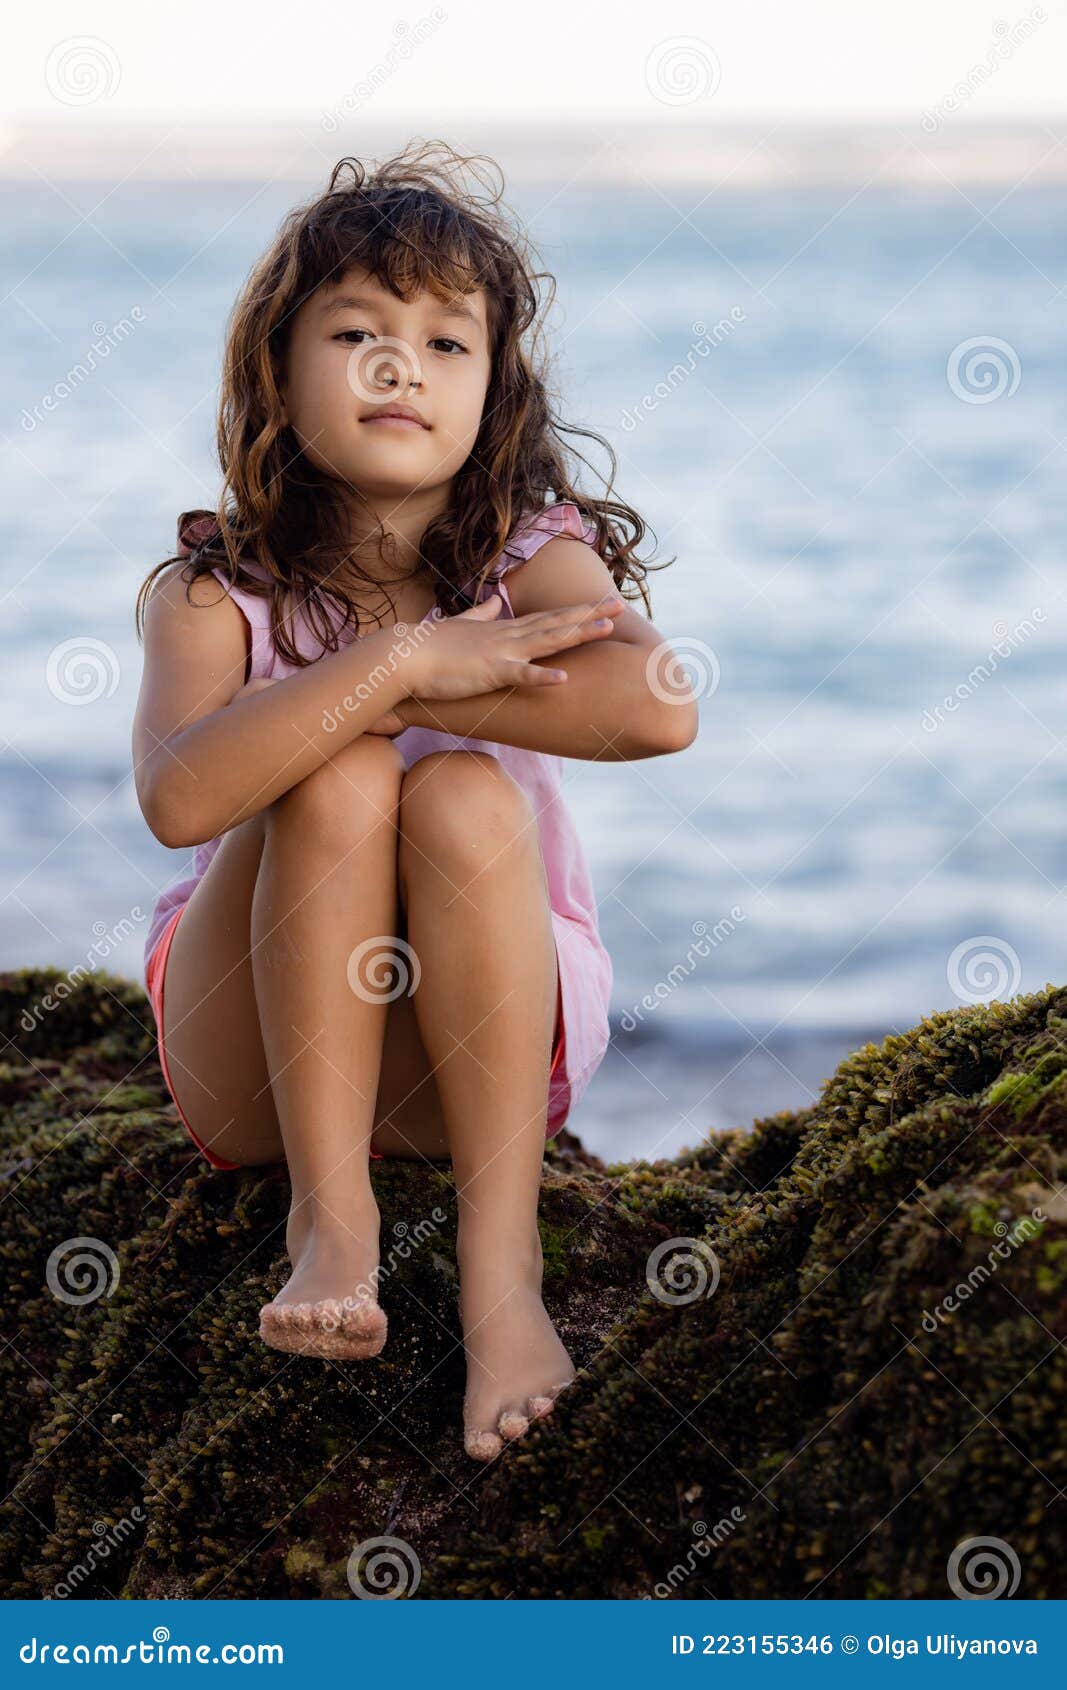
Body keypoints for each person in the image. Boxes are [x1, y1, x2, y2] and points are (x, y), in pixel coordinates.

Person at [131, 140, 697, 1462]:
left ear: (493, 390)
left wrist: (435, 683)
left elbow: (659, 704)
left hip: (469, 1062)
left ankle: (504, 1282)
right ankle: (332, 1225)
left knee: (464, 803)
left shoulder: (534, 558)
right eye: (359, 331)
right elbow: (176, 796)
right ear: (278, 368)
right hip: (253, 1068)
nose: (404, 366)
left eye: (449, 342)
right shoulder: (215, 590)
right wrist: (395, 662)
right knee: (334, 771)